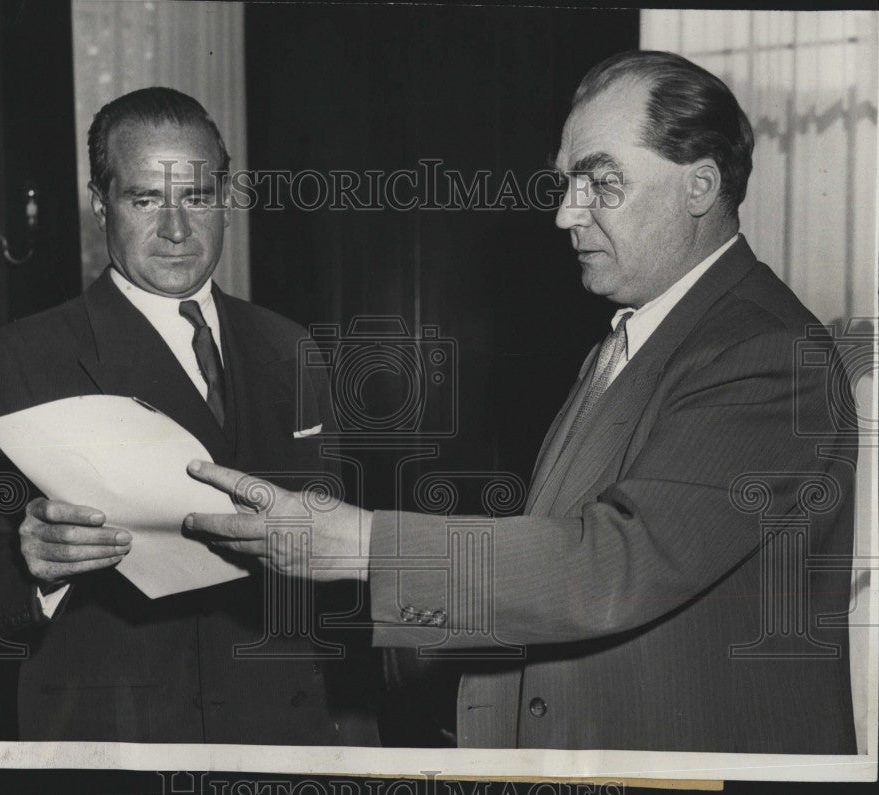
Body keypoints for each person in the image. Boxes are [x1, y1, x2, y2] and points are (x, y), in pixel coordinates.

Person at [185, 51, 859, 753]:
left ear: (699, 186)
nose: (566, 211)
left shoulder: (768, 351)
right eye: (566, 180)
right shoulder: (640, 333)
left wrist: (363, 544)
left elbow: (614, 563)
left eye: (601, 181)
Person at [0, 87, 378, 744]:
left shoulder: (289, 346)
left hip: (283, 739)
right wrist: (31, 568)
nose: (178, 228)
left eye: (197, 196)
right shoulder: (21, 356)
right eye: (145, 199)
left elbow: (331, 570)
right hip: (118, 749)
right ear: (101, 206)